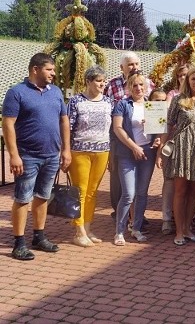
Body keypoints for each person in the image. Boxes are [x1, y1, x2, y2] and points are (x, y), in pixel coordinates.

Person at [3, 53, 71, 260]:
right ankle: (19, 243)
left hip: (52, 155)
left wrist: (66, 150)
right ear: (35, 69)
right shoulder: (17, 93)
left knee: (43, 196)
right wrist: (14, 155)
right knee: (23, 198)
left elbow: (64, 121)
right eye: (49, 69)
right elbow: (8, 124)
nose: (53, 73)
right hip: (27, 156)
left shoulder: (56, 92)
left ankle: (39, 237)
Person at [157, 67, 195, 246]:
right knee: (180, 191)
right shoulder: (178, 100)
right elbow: (169, 124)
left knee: (194, 191)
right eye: (193, 79)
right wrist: (161, 150)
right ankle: (179, 230)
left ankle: (188, 228)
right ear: (187, 81)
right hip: (181, 148)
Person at [104, 51, 154, 219]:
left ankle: (137, 216)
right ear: (122, 67)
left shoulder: (148, 83)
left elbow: (155, 110)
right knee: (120, 180)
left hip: (144, 139)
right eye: (130, 64)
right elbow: (107, 111)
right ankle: (121, 214)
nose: (134, 67)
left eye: (136, 64)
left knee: (140, 185)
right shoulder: (112, 85)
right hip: (119, 137)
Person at [66, 66, 112, 247]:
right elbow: (68, 128)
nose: (102, 84)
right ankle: (79, 231)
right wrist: (66, 152)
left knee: (93, 192)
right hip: (80, 151)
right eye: (98, 81)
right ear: (88, 81)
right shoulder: (76, 101)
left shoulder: (109, 102)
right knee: (80, 191)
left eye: (103, 80)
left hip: (102, 150)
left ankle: (87, 227)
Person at [112, 72, 157, 246]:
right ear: (129, 87)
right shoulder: (123, 105)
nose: (138, 88)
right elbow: (117, 128)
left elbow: (157, 129)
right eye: (135, 85)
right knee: (128, 194)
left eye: (141, 85)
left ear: (146, 87)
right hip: (128, 153)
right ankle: (119, 231)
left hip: (147, 152)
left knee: (142, 193)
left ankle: (136, 228)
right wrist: (134, 147)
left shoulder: (151, 105)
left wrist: (157, 138)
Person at [159, 64, 192, 234]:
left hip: (190, 145)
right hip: (172, 145)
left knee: (187, 183)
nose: (183, 78)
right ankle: (166, 219)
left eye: (186, 75)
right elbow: (164, 118)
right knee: (170, 181)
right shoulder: (172, 95)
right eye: (180, 75)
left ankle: (186, 218)